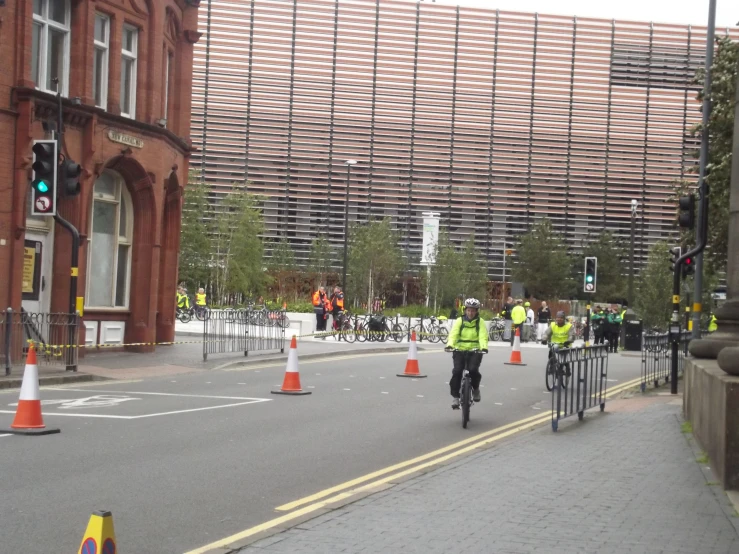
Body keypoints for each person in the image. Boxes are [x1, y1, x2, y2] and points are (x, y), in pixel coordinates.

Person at [445, 298, 488, 409]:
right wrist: (450, 345)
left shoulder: (480, 322)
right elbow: (453, 334)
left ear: (476, 311)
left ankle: (476, 388)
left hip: (475, 350)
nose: (470, 313)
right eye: (469, 310)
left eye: (473, 310)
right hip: (460, 349)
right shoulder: (460, 320)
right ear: (465, 310)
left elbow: (483, 336)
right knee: (457, 371)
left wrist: (483, 347)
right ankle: (455, 397)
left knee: (473, 370)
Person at [542, 311, 576, 375]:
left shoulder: (569, 326)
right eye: (557, 318)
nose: (559, 319)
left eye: (561, 318)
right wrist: (544, 339)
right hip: (555, 344)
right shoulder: (553, 325)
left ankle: (567, 367)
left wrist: (569, 341)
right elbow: (546, 333)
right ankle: (551, 367)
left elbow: (572, 335)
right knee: (551, 352)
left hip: (565, 345)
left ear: (564, 318)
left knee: (563, 359)